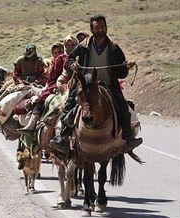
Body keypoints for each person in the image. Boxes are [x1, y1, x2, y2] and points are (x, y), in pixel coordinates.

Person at [50, 14, 142, 153]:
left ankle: (128, 138)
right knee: (70, 104)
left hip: (108, 84)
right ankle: (63, 137)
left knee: (122, 106)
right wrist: (73, 65)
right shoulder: (83, 46)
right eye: (97, 28)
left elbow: (121, 73)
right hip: (86, 84)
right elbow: (69, 61)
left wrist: (126, 66)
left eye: (103, 27)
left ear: (106, 28)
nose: (100, 30)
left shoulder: (114, 48)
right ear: (92, 29)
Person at [18, 42, 68, 134]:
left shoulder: (62, 58)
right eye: (54, 53)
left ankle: (32, 124)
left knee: (41, 98)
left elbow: (58, 75)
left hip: (60, 84)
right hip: (43, 84)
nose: (57, 54)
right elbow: (16, 73)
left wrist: (41, 82)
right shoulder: (20, 60)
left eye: (59, 52)